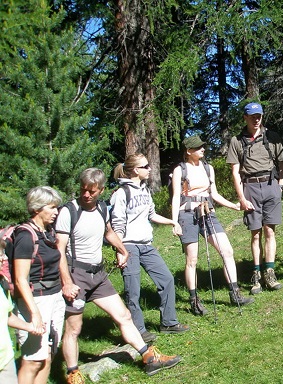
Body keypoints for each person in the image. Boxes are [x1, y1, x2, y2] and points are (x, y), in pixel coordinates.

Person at [56, 168, 181, 383]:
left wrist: (123, 250)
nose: (86, 195)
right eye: (83, 190)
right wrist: (66, 282)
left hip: (99, 275)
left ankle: (149, 356)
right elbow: (59, 249)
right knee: (74, 328)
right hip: (77, 275)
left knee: (123, 316)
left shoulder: (103, 208)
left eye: (92, 192)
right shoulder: (69, 211)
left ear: (101, 190)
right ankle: (73, 373)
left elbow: (109, 232)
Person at [110, 154, 189, 344]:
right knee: (133, 290)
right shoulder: (121, 194)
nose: (150, 169)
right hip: (129, 246)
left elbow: (152, 215)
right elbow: (117, 225)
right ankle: (138, 331)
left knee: (167, 279)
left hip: (146, 245)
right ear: (136, 170)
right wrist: (120, 251)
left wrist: (172, 221)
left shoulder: (145, 191)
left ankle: (168, 322)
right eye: (146, 166)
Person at [171, 136, 254, 315]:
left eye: (203, 146)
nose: (202, 149)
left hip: (208, 212)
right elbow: (176, 197)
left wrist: (233, 205)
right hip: (187, 215)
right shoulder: (180, 170)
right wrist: (174, 222)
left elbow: (213, 194)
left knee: (227, 251)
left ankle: (235, 293)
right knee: (192, 259)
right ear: (188, 151)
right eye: (198, 147)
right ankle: (194, 301)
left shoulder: (208, 168)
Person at [226, 102, 283, 295]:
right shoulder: (237, 141)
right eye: (252, 116)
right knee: (255, 233)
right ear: (245, 117)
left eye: (259, 115)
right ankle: (256, 274)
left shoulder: (272, 137)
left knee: (270, 230)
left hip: (271, 185)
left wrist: (281, 184)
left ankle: (270, 272)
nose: (256, 119)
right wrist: (241, 197)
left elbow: (282, 161)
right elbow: (235, 172)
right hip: (250, 187)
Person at [12, 186, 66, 384]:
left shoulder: (47, 232)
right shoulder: (25, 237)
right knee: (33, 360)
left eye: (56, 207)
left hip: (54, 296)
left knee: (47, 355)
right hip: (35, 300)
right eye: (51, 207)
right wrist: (34, 314)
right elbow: (20, 279)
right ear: (36, 208)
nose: (56, 212)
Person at [1, 244, 41, 384]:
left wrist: (30, 327)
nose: (3, 259)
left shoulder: (2, 284)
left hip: (5, 359)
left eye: (3, 254)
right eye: (0, 255)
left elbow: (6, 315)